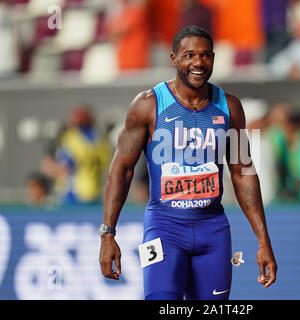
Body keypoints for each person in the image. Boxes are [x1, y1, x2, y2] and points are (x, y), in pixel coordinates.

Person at [99, 25, 278, 300]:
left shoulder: (230, 107)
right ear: (174, 59)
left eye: (206, 55)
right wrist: (108, 233)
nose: (198, 62)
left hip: (213, 232)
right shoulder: (147, 105)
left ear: (214, 59)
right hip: (163, 229)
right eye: (189, 55)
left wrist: (263, 241)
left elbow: (243, 171)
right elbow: (121, 170)